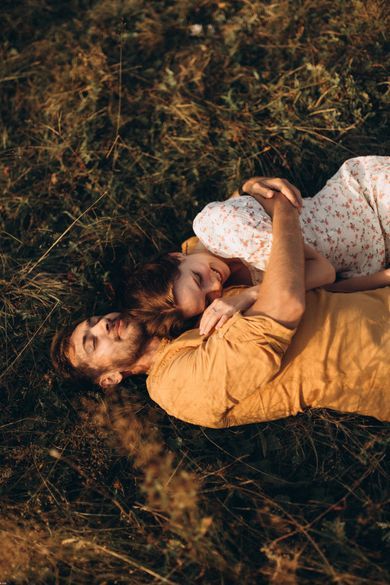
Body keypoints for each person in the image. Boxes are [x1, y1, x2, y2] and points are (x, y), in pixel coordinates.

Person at [51, 192, 390, 427]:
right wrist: (281, 209)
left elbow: (221, 230)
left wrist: (250, 190)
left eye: (94, 322)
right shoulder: (174, 386)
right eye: (92, 342)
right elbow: (285, 302)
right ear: (109, 379)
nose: (103, 326)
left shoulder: (188, 311)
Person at [122, 156, 389, 338]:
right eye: (206, 300)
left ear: (177, 256)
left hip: (368, 200)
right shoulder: (231, 286)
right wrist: (383, 278)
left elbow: (323, 271)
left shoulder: (228, 230)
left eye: (197, 278)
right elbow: (325, 289)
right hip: (375, 252)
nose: (214, 287)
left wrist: (251, 295)